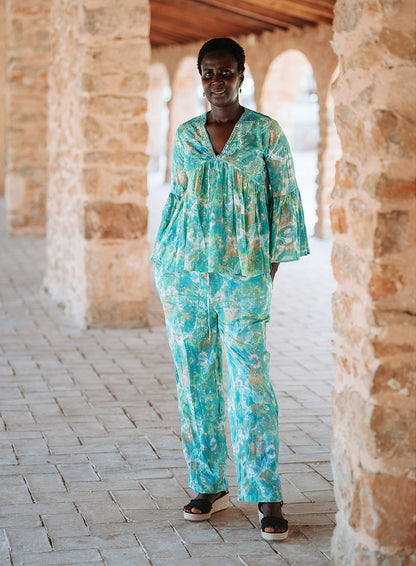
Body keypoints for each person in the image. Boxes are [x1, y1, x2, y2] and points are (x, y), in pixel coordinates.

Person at [151, 37, 309, 541]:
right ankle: (207, 484)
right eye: (208, 74)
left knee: (251, 382)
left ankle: (266, 492)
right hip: (185, 275)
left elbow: (285, 199)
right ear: (201, 78)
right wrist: (163, 261)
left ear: (242, 76)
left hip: (243, 277)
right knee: (194, 379)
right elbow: (177, 200)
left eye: (226, 73)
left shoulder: (266, 133)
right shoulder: (185, 136)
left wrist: (269, 266)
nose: (217, 83)